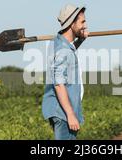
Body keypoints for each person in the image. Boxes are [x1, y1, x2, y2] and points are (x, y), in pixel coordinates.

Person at [41, 4, 88, 140]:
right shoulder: (63, 50)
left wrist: (81, 40)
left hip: (61, 110)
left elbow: (69, 54)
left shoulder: (59, 43)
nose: (85, 26)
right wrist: (70, 114)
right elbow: (59, 84)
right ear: (72, 23)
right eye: (82, 22)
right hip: (63, 112)